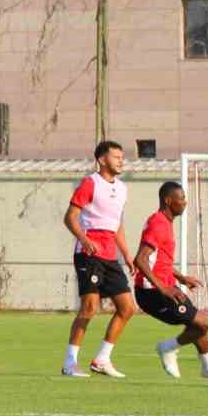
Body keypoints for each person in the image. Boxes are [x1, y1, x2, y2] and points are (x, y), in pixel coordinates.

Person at [132, 181, 208, 379]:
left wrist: (181, 278)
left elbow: (159, 261)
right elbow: (140, 260)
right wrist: (163, 288)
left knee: (198, 323)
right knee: (203, 322)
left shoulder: (163, 222)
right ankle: (168, 348)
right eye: (182, 198)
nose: (185, 202)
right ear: (169, 201)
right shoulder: (159, 224)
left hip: (166, 286)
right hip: (152, 292)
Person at [62, 140, 137, 378]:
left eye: (122, 157)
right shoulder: (90, 183)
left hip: (110, 256)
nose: (121, 161)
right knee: (90, 308)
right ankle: (70, 363)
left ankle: (102, 359)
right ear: (102, 160)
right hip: (89, 255)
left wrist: (127, 254)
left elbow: (117, 225)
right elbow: (70, 217)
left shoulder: (122, 188)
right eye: (116, 157)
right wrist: (84, 239)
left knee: (127, 308)